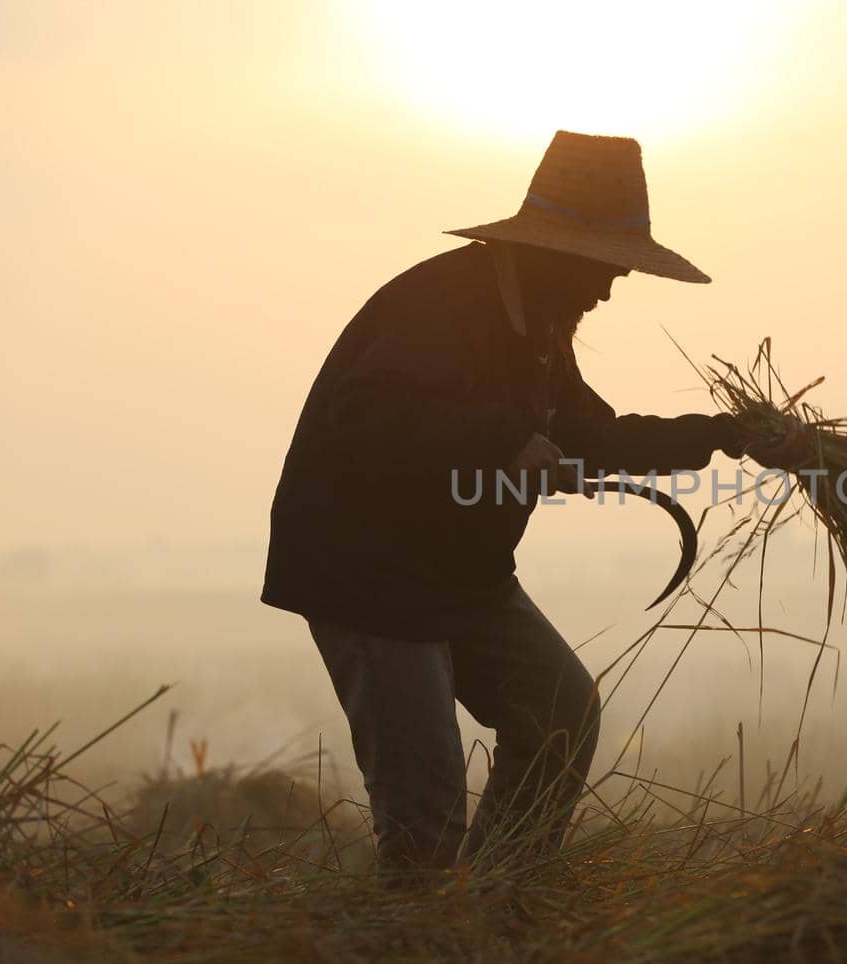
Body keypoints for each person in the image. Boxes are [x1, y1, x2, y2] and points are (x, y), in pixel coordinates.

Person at [261, 131, 809, 876]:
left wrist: (727, 434)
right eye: (602, 269)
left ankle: (498, 906)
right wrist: (501, 439)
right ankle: (415, 934)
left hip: (463, 573)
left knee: (560, 717)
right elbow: (365, 411)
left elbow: (589, 437)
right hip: (371, 578)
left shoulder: (544, 328)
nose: (608, 290)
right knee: (426, 817)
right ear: (551, 252)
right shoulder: (439, 305)